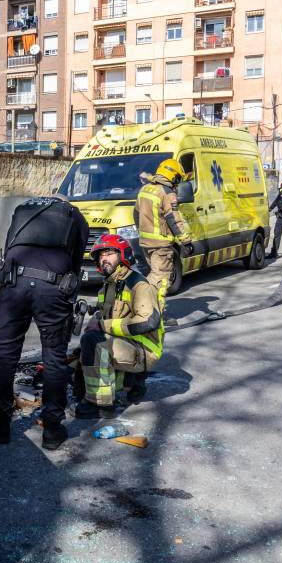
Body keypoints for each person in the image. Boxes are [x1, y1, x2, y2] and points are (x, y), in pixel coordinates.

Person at [0, 190, 89, 450]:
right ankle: (52, 431)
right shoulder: (74, 215)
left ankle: (0, 425)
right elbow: (76, 265)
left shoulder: (23, 210)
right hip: (52, 289)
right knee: (54, 357)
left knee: (5, 355)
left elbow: (10, 245)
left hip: (13, 286)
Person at [75, 234, 164, 419]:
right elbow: (103, 313)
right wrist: (95, 322)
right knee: (81, 355)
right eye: (100, 255)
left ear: (123, 255)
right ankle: (132, 382)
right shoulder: (108, 286)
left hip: (145, 349)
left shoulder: (138, 285)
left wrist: (102, 326)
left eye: (109, 253)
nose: (104, 258)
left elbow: (148, 322)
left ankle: (101, 405)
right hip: (125, 344)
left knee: (94, 344)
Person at [134, 158, 197, 298]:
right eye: (178, 178)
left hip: (145, 243)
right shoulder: (167, 193)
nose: (177, 182)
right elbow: (173, 220)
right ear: (173, 176)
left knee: (155, 274)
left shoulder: (145, 189)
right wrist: (186, 241)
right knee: (160, 281)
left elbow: (136, 214)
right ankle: (148, 312)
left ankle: (153, 313)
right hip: (161, 244)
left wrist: (142, 232)